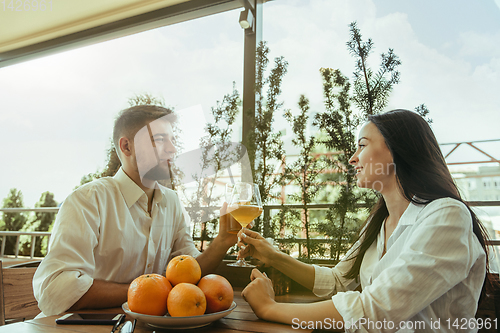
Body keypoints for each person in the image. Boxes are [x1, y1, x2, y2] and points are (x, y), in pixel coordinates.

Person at [237, 109, 493, 332]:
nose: (352, 158)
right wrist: (274, 257)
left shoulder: (447, 216)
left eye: (362, 145)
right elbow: (339, 281)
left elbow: (376, 311)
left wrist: (269, 308)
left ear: (396, 151)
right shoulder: (379, 224)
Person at [33, 105, 238, 316]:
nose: (172, 149)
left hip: (141, 327)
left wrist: (222, 242)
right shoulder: (88, 201)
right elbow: (56, 290)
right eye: (159, 140)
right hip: (78, 328)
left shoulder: (172, 202)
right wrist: (147, 292)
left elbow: (190, 272)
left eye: (171, 139)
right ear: (127, 147)